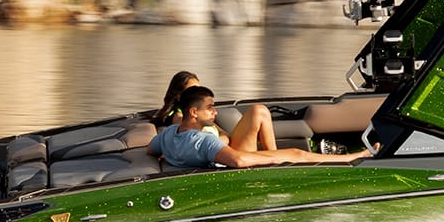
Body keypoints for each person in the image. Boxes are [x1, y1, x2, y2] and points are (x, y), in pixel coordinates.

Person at [149, 87, 369, 168]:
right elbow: (238, 161)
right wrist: (274, 158)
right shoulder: (204, 141)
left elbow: (151, 150)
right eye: (210, 108)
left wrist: (169, 157)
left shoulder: (169, 134)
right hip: (228, 166)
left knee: (258, 110)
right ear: (193, 112)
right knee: (297, 153)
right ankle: (354, 157)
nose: (215, 113)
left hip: (210, 158)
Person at [155, 70, 287, 155]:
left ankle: (274, 157)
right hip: (223, 155)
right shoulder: (181, 119)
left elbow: (223, 133)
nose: (199, 93)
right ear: (181, 94)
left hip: (225, 149)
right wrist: (221, 143)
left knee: (259, 111)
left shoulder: (201, 116)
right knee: (259, 111)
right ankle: (275, 160)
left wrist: (223, 139)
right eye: (194, 89)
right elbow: (199, 145)